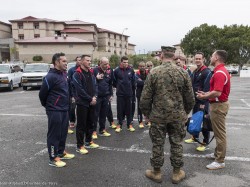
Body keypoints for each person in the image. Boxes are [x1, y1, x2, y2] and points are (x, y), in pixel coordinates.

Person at [140, 46, 195, 184]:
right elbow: (190, 98)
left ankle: (156, 172)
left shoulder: (154, 72)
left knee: (157, 144)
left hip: (158, 116)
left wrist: (147, 114)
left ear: (162, 55)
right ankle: (176, 173)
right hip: (177, 116)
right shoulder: (183, 73)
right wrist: (185, 113)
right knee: (176, 143)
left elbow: (145, 98)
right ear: (174, 56)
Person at [39, 53, 75, 168]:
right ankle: (53, 158)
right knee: (54, 135)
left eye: (66, 61)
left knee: (63, 133)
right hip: (54, 110)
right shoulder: (50, 77)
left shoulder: (64, 74)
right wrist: (49, 107)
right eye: (63, 61)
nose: (66, 63)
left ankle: (61, 152)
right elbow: (42, 94)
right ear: (56, 62)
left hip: (64, 109)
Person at [196, 50, 230, 170]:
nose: (210, 57)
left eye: (211, 55)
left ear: (216, 57)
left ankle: (220, 161)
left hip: (219, 106)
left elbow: (217, 92)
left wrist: (204, 96)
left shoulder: (219, 72)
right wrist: (206, 93)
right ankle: (217, 154)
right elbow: (215, 90)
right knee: (217, 132)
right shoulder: (219, 71)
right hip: (218, 105)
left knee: (220, 134)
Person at [184, 52, 212, 151]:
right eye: (196, 59)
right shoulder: (196, 71)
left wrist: (204, 102)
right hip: (195, 100)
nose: (197, 60)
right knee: (195, 119)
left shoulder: (207, 71)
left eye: (199, 59)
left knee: (204, 121)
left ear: (203, 59)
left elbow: (207, 88)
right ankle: (195, 137)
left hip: (203, 101)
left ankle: (205, 142)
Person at [72, 54, 99, 155]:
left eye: (90, 60)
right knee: (81, 125)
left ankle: (88, 141)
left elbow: (95, 85)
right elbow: (79, 89)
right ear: (82, 62)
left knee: (91, 123)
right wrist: (90, 98)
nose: (89, 62)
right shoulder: (77, 74)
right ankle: (80, 145)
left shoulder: (91, 73)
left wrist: (95, 96)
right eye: (87, 60)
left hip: (92, 102)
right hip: (83, 103)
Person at [113, 56, 136, 133]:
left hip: (129, 94)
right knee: (120, 110)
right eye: (124, 62)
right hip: (120, 94)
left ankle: (129, 125)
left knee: (129, 110)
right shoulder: (116, 71)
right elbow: (114, 82)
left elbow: (133, 82)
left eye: (127, 62)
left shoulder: (131, 70)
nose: (126, 64)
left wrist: (131, 91)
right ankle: (119, 125)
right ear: (121, 62)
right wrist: (120, 87)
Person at [92, 57, 113, 139]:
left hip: (106, 96)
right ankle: (93, 131)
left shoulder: (109, 71)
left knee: (103, 114)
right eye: (105, 64)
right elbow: (90, 82)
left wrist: (111, 94)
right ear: (100, 63)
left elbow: (110, 84)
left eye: (107, 64)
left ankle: (102, 129)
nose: (106, 65)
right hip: (97, 96)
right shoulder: (94, 71)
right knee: (95, 114)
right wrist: (96, 78)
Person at [67, 56, 81, 134]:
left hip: (81, 93)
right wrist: (72, 95)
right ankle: (72, 121)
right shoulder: (71, 70)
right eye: (78, 60)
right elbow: (69, 82)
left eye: (80, 60)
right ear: (76, 61)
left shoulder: (84, 69)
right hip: (73, 92)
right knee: (72, 108)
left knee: (81, 108)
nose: (79, 62)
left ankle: (81, 121)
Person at [135, 61, 149, 128]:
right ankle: (140, 122)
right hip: (139, 93)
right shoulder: (136, 74)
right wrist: (146, 82)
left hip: (147, 94)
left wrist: (143, 82)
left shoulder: (148, 73)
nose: (142, 67)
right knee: (140, 108)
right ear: (138, 67)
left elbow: (149, 82)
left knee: (147, 107)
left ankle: (147, 121)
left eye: (143, 66)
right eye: (141, 66)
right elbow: (139, 82)